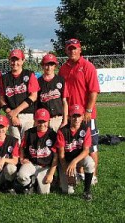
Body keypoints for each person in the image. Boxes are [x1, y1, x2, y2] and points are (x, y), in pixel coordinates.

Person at [58, 38, 100, 184]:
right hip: (70, 115)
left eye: (75, 48)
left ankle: (93, 175)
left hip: (86, 115)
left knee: (91, 145)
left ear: (80, 49)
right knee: (76, 144)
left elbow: (94, 91)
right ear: (66, 50)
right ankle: (80, 173)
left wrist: (88, 110)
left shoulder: (87, 66)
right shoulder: (63, 68)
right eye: (70, 48)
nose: (72, 51)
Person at [55, 104, 95, 201]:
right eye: (74, 116)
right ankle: (74, 176)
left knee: (90, 163)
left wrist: (75, 162)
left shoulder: (85, 129)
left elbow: (86, 151)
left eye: (79, 116)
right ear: (69, 117)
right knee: (68, 191)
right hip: (66, 161)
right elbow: (61, 155)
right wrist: (68, 173)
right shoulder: (62, 131)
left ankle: (87, 191)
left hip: (78, 158)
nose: (76, 119)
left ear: (82, 117)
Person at [0, 49, 39, 143]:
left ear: (23, 60)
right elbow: (1, 100)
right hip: (11, 115)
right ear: (9, 61)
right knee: (15, 145)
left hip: (27, 115)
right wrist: (11, 114)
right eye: (12, 60)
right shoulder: (4, 78)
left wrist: (15, 112)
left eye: (17, 60)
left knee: (28, 144)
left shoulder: (29, 75)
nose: (15, 62)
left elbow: (33, 96)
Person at [16, 108, 58, 194]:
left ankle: (46, 181)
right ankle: (29, 184)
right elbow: (22, 147)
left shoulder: (53, 135)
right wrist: (22, 158)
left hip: (45, 166)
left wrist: (50, 174)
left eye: (44, 121)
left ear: (48, 121)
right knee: (21, 176)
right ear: (35, 121)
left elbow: (56, 156)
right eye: (39, 121)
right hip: (31, 163)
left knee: (44, 193)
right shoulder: (29, 133)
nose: (42, 124)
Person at [37, 54, 68, 132]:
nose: (49, 67)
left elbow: (64, 102)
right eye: (46, 64)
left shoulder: (61, 80)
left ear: (55, 66)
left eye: (51, 64)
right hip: (43, 120)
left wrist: (65, 120)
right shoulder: (38, 82)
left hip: (57, 119)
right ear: (42, 66)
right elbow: (35, 104)